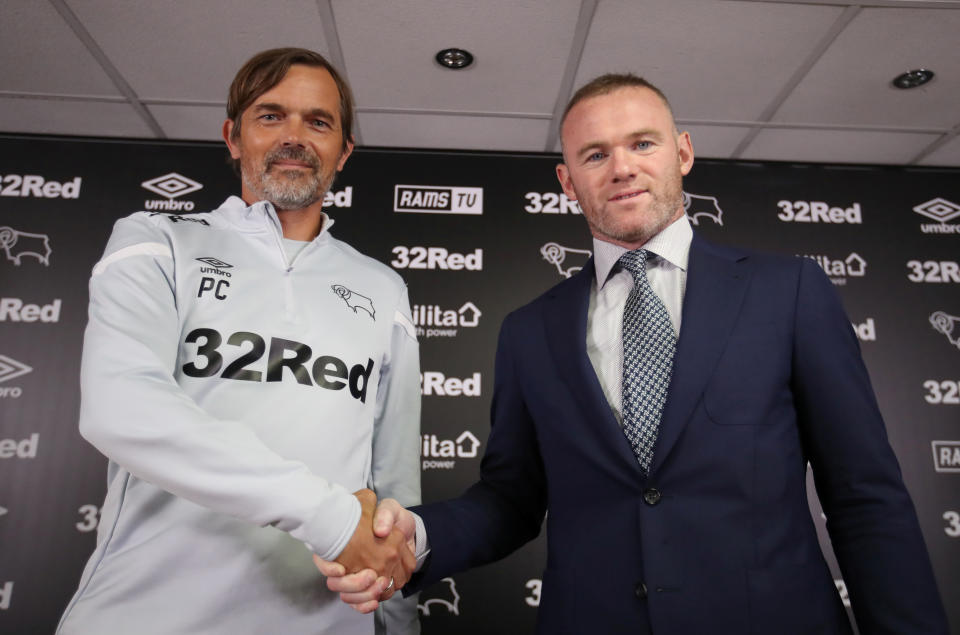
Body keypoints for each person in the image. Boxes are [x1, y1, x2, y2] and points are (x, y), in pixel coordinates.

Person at [318, 74, 949, 634]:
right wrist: (418, 537)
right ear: (568, 182)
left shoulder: (789, 292)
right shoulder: (529, 331)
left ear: (683, 152)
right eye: (595, 154)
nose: (621, 168)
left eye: (642, 143)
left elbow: (864, 495)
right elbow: (510, 500)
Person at [57, 48, 421, 635]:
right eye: (271, 116)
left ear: (344, 152)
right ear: (233, 137)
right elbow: (121, 408)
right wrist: (329, 516)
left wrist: (397, 613)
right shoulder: (155, 241)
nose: (295, 137)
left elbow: (396, 488)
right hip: (149, 618)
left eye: (318, 122)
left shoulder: (383, 287)